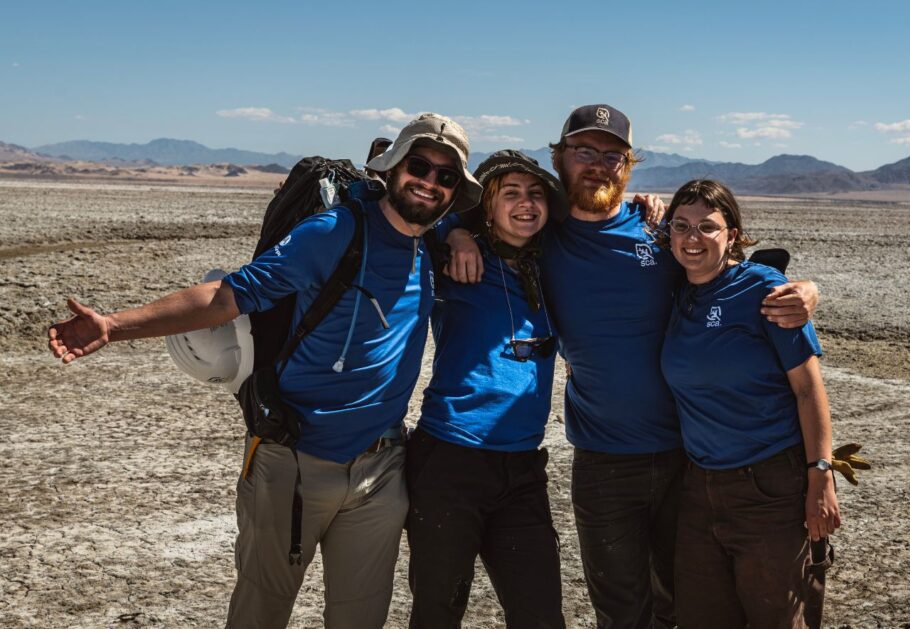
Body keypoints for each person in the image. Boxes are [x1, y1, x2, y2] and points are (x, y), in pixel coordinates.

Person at [45, 113, 483, 629]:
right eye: (419, 166)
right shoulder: (334, 232)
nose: (430, 182)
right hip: (292, 463)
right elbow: (226, 295)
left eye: (446, 175)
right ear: (392, 167)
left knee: (361, 618)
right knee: (261, 612)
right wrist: (114, 326)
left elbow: (468, 221)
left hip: (381, 471)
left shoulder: (431, 240)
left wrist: (460, 237)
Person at [445, 104, 819, 628]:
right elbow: (454, 213)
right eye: (584, 152)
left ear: (629, 165)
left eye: (613, 155)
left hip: (685, 457)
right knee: (620, 608)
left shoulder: (659, 231)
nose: (598, 165)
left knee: (685, 601)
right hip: (603, 460)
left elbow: (723, 265)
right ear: (560, 159)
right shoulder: (541, 235)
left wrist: (804, 289)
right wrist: (456, 235)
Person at [659, 179, 839, 628]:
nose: (692, 238)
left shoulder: (765, 291)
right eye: (681, 226)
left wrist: (821, 475)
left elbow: (807, 388)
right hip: (698, 486)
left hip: (769, 486)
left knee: (777, 616)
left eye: (707, 227)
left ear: (732, 234)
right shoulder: (676, 290)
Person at [406, 150, 568, 628]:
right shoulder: (456, 259)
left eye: (536, 194)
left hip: (522, 468)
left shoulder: (549, 261)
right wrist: (455, 230)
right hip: (450, 462)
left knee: (540, 613)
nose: (526, 204)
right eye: (511, 194)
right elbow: (411, 220)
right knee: (438, 610)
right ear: (488, 205)